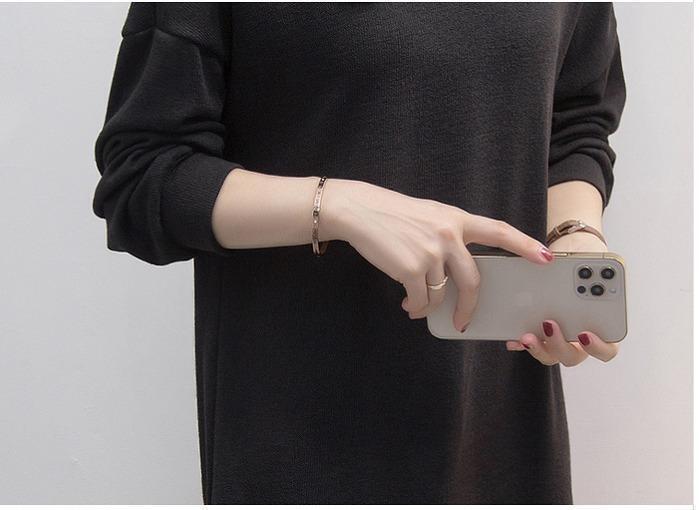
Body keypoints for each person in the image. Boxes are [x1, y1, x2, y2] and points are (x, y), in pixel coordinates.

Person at [92, 2, 626, 504]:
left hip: (502, 431)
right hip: (303, 434)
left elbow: (575, 121)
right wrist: (340, 206)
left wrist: (574, 236)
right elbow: (143, 175)